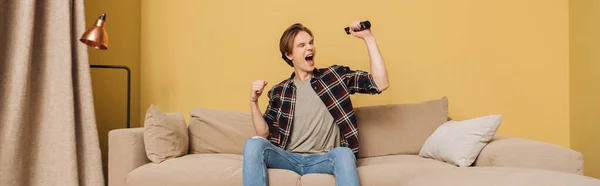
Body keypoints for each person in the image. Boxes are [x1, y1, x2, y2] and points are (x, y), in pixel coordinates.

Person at [243, 20, 389, 186]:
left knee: (344, 153)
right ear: (289, 55)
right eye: (302, 45)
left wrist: (368, 38)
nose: (310, 47)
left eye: (311, 43)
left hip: (325, 158)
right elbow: (263, 135)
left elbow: (380, 83)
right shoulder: (280, 91)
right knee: (253, 144)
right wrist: (253, 102)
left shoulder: (334, 77)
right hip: (289, 159)